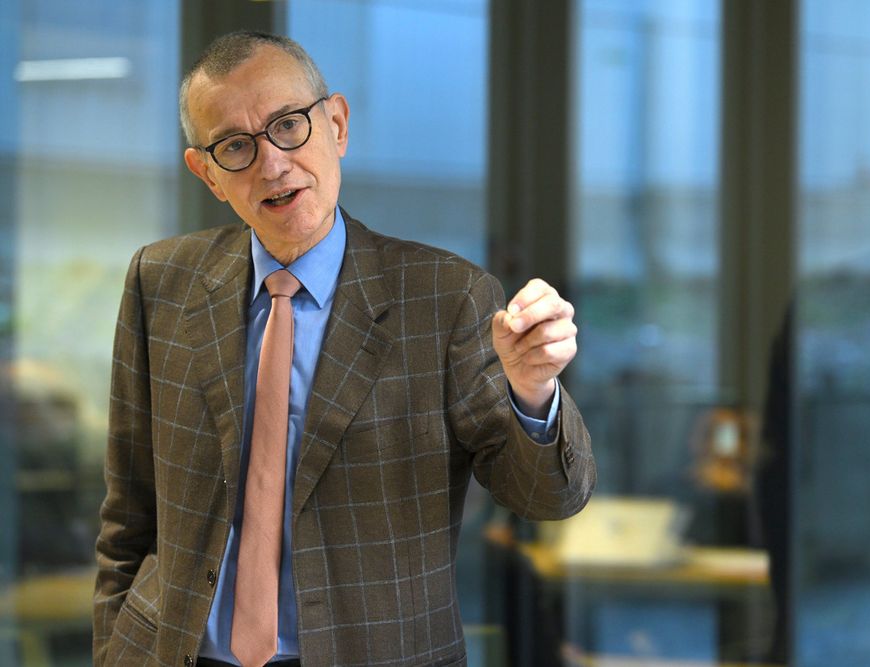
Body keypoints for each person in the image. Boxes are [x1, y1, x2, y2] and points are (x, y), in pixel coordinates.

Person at [92, 31, 595, 667]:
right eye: (237, 146)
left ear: (336, 125)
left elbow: (548, 498)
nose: (272, 164)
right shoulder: (160, 281)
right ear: (208, 173)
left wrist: (532, 392)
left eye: (289, 126)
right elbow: (127, 518)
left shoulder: (444, 297)